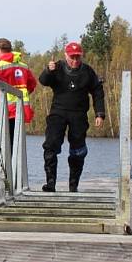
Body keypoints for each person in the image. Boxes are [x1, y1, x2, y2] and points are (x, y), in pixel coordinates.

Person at [39, 41, 105, 192]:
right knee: (51, 145)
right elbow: (43, 81)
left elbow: (97, 92)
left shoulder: (88, 72)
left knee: (78, 150)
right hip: (58, 113)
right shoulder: (57, 67)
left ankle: (73, 186)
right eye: (72, 57)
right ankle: (50, 183)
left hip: (78, 115)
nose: (75, 61)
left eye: (78, 57)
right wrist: (48, 70)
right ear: (66, 55)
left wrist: (100, 114)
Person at [0, 38, 37, 154]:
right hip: (19, 112)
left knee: (2, 150)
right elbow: (32, 85)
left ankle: (4, 173)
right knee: (15, 150)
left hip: (2, 112)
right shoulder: (24, 67)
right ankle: (13, 172)